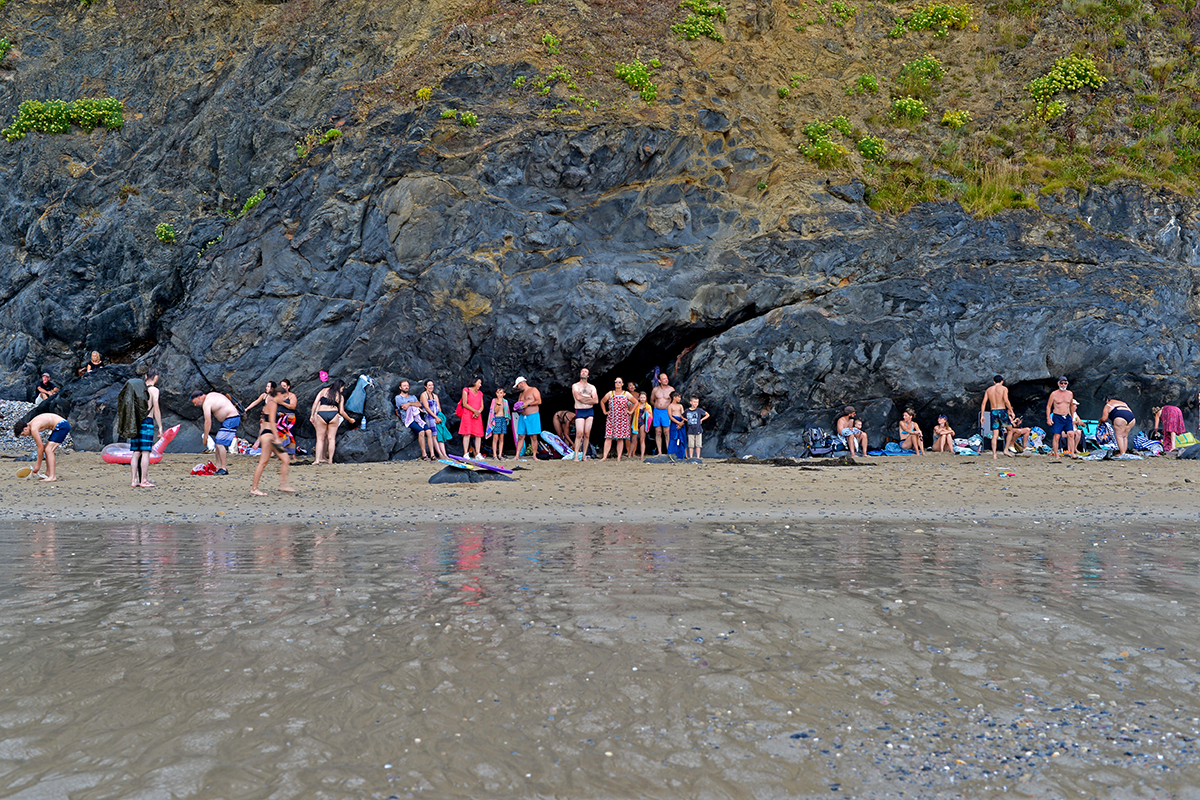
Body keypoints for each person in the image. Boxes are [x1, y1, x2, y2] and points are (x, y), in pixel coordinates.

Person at [251, 385, 294, 496]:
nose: (284, 399)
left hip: (268, 435)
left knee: (285, 459)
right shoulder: (272, 404)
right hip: (269, 436)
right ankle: (254, 488)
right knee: (263, 462)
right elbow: (272, 422)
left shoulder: (270, 404)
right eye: (284, 397)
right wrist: (277, 438)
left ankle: (283, 485)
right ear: (278, 394)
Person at [191, 390, 239, 474]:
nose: (195, 405)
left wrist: (205, 437)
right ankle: (218, 468)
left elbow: (208, 422)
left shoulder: (207, 403)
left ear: (199, 397)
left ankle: (223, 468)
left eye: (195, 402)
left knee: (219, 443)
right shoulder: (211, 395)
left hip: (231, 418)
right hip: (230, 419)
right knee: (217, 443)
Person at [129, 369, 162, 488]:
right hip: (147, 421)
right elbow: (156, 409)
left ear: (146, 376)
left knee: (136, 452)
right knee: (145, 451)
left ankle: (134, 480)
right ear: (156, 377)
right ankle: (144, 480)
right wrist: (160, 427)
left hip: (135, 422)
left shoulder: (137, 389)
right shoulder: (154, 390)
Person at [15, 412, 70, 482]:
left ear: (25, 429)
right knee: (47, 448)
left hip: (62, 425)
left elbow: (40, 447)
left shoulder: (33, 428)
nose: (25, 436)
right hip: (60, 425)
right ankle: (48, 473)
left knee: (49, 450)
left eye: (23, 434)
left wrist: (38, 465)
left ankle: (53, 476)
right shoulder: (32, 424)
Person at [309, 379, 345, 465]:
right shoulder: (340, 396)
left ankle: (317, 460)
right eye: (343, 388)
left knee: (320, 439)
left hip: (321, 413)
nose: (343, 390)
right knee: (331, 438)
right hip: (333, 414)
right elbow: (341, 411)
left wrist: (312, 415)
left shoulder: (323, 391)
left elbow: (315, 403)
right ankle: (330, 460)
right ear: (340, 387)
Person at [980, 375, 1016, 460]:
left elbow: (983, 403)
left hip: (993, 412)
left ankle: (994, 454)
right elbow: (1006, 401)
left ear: (994, 382)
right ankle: (1006, 450)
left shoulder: (989, 390)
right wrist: (1011, 411)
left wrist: (982, 415)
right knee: (1010, 430)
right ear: (1002, 381)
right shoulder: (1004, 389)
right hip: (1002, 411)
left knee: (995, 434)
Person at [395, 380, 432, 460]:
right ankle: (424, 454)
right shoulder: (398, 397)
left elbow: (419, 404)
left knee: (429, 431)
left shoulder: (413, 397)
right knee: (421, 431)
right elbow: (404, 407)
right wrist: (412, 404)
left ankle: (432, 454)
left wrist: (409, 404)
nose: (406, 387)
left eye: (407, 385)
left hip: (417, 417)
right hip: (408, 419)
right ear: (400, 387)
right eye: (404, 385)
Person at [600, 377, 634, 461]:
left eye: (619, 382)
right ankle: (604, 456)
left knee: (620, 438)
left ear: (622, 384)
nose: (617, 383)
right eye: (616, 382)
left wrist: (630, 411)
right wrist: (605, 411)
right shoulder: (610, 393)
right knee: (608, 437)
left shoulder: (626, 394)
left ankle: (619, 457)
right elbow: (602, 401)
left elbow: (636, 402)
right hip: (612, 418)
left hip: (623, 419)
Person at [571, 368, 598, 462]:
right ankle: (576, 456)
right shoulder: (575, 386)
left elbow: (596, 400)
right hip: (580, 410)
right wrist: (589, 399)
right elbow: (578, 397)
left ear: (588, 375)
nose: (583, 373)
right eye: (582, 371)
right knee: (579, 433)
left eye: (586, 372)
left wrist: (584, 399)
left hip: (589, 411)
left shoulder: (592, 387)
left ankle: (584, 455)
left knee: (587, 433)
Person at [513, 376, 543, 461]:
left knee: (533, 436)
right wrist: (518, 407)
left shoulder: (533, 390)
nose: (517, 388)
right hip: (523, 416)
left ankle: (534, 455)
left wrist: (528, 404)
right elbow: (519, 403)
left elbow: (539, 401)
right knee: (521, 436)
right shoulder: (521, 394)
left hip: (533, 415)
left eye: (517, 386)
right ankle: (517, 455)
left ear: (521, 383)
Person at [1045, 376, 1076, 457]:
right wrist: (1048, 418)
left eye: (1065, 383)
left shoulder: (1070, 393)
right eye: (1061, 383)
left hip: (1067, 416)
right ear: (1058, 383)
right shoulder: (1054, 394)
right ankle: (1056, 454)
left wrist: (1072, 417)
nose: (1063, 385)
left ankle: (1072, 453)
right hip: (1057, 416)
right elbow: (1048, 406)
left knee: (1071, 434)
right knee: (1057, 436)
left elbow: (1071, 406)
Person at [420, 380, 449, 461]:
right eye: (429, 385)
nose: (431, 387)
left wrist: (439, 417)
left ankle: (444, 454)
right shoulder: (424, 395)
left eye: (432, 385)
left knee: (440, 435)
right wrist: (435, 417)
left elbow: (439, 407)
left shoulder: (435, 396)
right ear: (425, 386)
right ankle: (439, 454)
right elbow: (427, 408)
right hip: (429, 417)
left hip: (437, 416)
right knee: (434, 435)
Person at [458, 377, 485, 457]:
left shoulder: (480, 393)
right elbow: (464, 403)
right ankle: (466, 453)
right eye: (479, 383)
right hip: (468, 414)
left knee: (478, 434)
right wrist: (475, 411)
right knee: (467, 433)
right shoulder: (466, 390)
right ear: (474, 382)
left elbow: (482, 405)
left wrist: (478, 412)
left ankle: (478, 453)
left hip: (477, 415)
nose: (480, 385)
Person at [650, 371, 674, 456]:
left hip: (666, 411)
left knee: (667, 431)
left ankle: (669, 451)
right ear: (659, 380)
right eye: (664, 379)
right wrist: (657, 406)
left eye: (667, 378)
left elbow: (674, 401)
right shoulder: (655, 390)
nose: (666, 380)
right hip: (657, 411)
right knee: (658, 431)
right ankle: (659, 452)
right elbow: (651, 400)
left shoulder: (671, 389)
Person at [275, 379, 299, 454]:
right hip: (279, 417)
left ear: (288, 387)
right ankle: (280, 453)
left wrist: (282, 403)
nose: (282, 387)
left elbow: (293, 406)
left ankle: (292, 454)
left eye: (284, 386)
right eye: (281, 386)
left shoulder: (292, 395)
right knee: (280, 435)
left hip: (289, 417)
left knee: (290, 435)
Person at [487, 387, 511, 460]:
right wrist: (499, 403)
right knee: (495, 438)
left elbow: (507, 412)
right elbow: (494, 411)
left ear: (504, 394)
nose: (499, 394)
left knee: (501, 438)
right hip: (496, 419)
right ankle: (494, 455)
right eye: (498, 393)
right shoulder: (494, 401)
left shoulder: (506, 402)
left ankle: (500, 454)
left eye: (501, 393)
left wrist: (507, 418)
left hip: (503, 419)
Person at [630, 391, 652, 459]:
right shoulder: (636, 405)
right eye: (641, 397)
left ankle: (642, 456)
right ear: (639, 398)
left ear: (646, 398)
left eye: (644, 397)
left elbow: (650, 417)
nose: (642, 399)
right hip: (636, 422)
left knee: (642, 439)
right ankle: (629, 454)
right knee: (633, 439)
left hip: (643, 423)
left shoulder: (648, 406)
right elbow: (633, 413)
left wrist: (646, 412)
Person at [667, 391, 687, 458]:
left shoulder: (680, 406)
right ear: (674, 398)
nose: (679, 399)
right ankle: (672, 453)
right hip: (674, 422)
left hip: (681, 422)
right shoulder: (670, 406)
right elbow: (670, 416)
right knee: (673, 438)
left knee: (682, 437)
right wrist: (678, 423)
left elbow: (683, 415)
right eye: (678, 397)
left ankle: (683, 454)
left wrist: (681, 422)